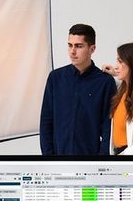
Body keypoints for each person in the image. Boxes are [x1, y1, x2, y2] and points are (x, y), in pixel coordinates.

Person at [39, 24, 116, 155]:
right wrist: (49, 158)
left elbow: (108, 128)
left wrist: (102, 162)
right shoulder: (55, 78)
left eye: (79, 46)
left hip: (90, 164)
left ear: (92, 49)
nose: (72, 51)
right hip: (58, 161)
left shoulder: (105, 82)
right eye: (70, 45)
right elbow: (46, 121)